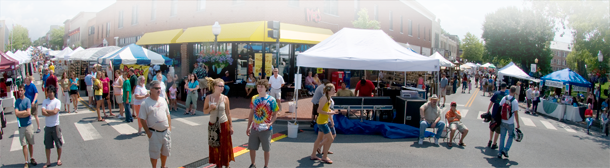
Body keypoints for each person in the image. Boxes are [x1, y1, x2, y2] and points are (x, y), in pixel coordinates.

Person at [139, 80, 172, 168]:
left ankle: (163, 166)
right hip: (154, 133)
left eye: (160, 88)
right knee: (154, 153)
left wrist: (169, 128)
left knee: (165, 151)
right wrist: (148, 133)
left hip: (165, 132)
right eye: (156, 88)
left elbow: (168, 114)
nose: (159, 90)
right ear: (151, 89)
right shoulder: (145, 103)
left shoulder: (163, 100)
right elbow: (142, 119)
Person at [247, 79, 279, 168]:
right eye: (258, 86)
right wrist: (248, 127)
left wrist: (270, 123)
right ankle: (253, 164)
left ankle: (266, 165)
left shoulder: (272, 100)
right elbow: (251, 113)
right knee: (252, 147)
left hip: (266, 128)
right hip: (254, 127)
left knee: (266, 149)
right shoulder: (254, 98)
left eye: (261, 87)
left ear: (266, 88)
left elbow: (275, 114)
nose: (259, 88)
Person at [204, 78, 235, 167]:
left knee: (224, 144)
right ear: (214, 87)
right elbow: (204, 111)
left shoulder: (225, 98)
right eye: (220, 86)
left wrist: (231, 126)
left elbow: (228, 112)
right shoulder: (208, 97)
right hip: (213, 124)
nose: (222, 88)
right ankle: (218, 163)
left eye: (223, 86)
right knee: (215, 145)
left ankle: (226, 163)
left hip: (223, 123)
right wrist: (210, 108)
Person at [310, 83, 337, 164]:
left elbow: (326, 109)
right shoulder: (324, 98)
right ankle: (324, 157)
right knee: (330, 138)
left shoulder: (328, 98)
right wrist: (329, 113)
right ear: (328, 91)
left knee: (319, 139)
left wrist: (331, 113)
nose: (334, 91)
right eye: (333, 90)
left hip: (323, 121)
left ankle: (313, 155)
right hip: (322, 122)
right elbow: (319, 110)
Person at [15, 86, 38, 167]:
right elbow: (16, 113)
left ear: (24, 91)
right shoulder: (17, 102)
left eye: (21, 90)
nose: (20, 92)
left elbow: (28, 113)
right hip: (21, 126)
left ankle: (32, 157)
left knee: (30, 143)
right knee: (24, 144)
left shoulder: (27, 100)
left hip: (28, 125)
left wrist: (21, 113)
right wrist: (23, 112)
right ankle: (26, 161)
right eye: (19, 90)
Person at [40, 86, 63, 168]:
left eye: (51, 92)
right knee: (47, 145)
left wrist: (47, 111)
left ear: (54, 92)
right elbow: (43, 112)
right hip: (48, 126)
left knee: (58, 144)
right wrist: (51, 112)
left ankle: (59, 159)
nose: (49, 93)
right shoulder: (45, 101)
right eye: (48, 92)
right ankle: (48, 161)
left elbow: (55, 111)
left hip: (55, 125)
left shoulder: (57, 101)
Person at [497, 86, 521, 159]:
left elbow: (500, 106)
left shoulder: (504, 98)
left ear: (509, 90)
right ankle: (506, 149)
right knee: (510, 136)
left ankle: (500, 152)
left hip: (503, 121)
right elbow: (516, 113)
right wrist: (518, 124)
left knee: (502, 137)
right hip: (510, 122)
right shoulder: (515, 101)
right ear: (515, 92)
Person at [486, 83, 507, 149]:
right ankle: (494, 143)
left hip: (494, 113)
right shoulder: (506, 96)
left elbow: (491, 102)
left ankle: (490, 140)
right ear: (505, 88)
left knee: (492, 127)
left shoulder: (496, 93)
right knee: (498, 130)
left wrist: (488, 110)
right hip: (501, 115)